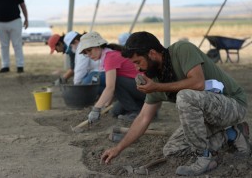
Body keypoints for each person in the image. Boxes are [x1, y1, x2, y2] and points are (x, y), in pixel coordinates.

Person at [100, 31, 250, 176]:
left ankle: (204, 157)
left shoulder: (181, 50)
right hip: (207, 118)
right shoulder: (156, 80)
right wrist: (118, 148)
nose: (137, 69)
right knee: (172, 150)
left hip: (233, 105)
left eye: (138, 62)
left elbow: (198, 83)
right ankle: (232, 134)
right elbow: (143, 118)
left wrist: (157, 87)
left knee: (184, 96)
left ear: (152, 53)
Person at [77, 31, 146, 122]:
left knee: (115, 81)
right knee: (115, 111)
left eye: (89, 50)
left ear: (98, 46)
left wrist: (96, 108)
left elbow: (110, 87)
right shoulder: (108, 54)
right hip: (139, 90)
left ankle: (135, 111)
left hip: (146, 89)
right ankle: (144, 109)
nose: (89, 54)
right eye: (86, 52)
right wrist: (105, 105)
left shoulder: (110, 57)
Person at [0, 0, 28, 73]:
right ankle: (5, 66)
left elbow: (22, 5)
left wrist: (26, 19)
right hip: (0, 22)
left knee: (17, 44)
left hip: (15, 21)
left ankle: (20, 65)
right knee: (4, 46)